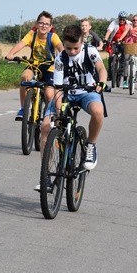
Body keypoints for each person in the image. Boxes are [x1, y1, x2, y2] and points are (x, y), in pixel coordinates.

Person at [36, 24, 107, 191]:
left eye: (76, 48)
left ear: (82, 42)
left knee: (98, 111)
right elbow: (59, 88)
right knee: (46, 126)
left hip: (87, 92)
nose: (72, 52)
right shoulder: (61, 58)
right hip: (65, 93)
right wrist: (59, 114)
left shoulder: (90, 51)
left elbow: (101, 69)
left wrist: (101, 82)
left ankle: (90, 145)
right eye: (69, 48)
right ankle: (45, 175)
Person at [5, 11, 64, 121]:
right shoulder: (32, 35)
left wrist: (63, 57)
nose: (43, 26)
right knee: (25, 78)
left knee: (49, 94)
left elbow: (61, 48)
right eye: (41, 23)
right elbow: (21, 44)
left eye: (46, 24)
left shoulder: (53, 37)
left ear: (50, 26)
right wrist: (11, 54)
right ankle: (23, 108)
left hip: (49, 67)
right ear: (36, 24)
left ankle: (47, 117)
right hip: (34, 65)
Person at [120, 14, 137, 88]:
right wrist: (121, 38)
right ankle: (125, 80)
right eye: (134, 20)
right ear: (132, 21)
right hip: (129, 42)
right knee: (126, 61)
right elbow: (125, 32)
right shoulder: (129, 26)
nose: (135, 21)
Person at [104, 11, 130, 84]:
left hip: (124, 42)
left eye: (123, 19)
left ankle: (121, 70)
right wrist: (105, 39)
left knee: (124, 56)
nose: (121, 21)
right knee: (111, 57)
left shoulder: (128, 24)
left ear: (125, 19)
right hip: (114, 41)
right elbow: (109, 31)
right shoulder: (114, 22)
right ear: (118, 18)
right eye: (120, 19)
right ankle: (110, 73)